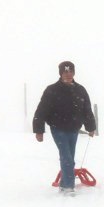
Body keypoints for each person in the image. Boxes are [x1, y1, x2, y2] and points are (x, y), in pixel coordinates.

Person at [33, 60, 97, 194]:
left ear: (74, 73)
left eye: (70, 71)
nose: (68, 74)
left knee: (69, 158)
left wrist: (91, 127)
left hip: (74, 129)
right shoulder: (52, 90)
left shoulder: (80, 90)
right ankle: (68, 187)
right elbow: (41, 110)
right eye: (65, 72)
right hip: (58, 128)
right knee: (67, 158)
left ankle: (64, 183)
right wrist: (39, 131)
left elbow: (87, 110)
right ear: (61, 73)